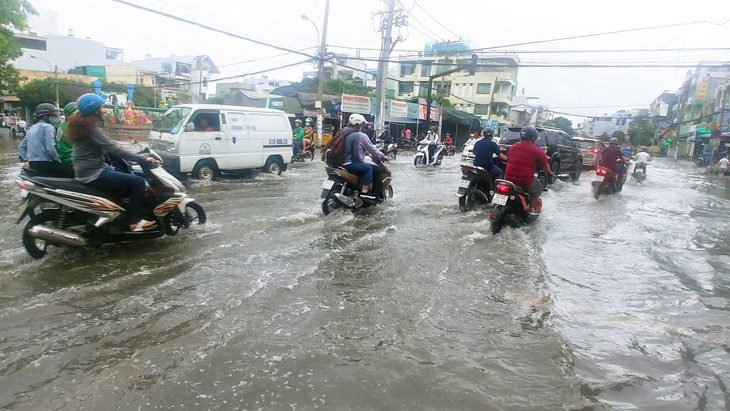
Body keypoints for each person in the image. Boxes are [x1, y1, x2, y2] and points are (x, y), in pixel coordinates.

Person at [67, 93, 159, 232]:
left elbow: (109, 144)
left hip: (87, 171)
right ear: (94, 111)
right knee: (138, 182)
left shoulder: (84, 127)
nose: (104, 110)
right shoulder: (92, 129)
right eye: (102, 107)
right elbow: (113, 149)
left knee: (119, 174)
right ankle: (134, 221)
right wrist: (142, 159)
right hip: (94, 174)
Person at [504, 126, 554, 215]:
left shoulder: (512, 147)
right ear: (533, 138)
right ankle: (531, 208)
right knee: (538, 187)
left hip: (508, 179)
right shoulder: (538, 150)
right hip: (525, 180)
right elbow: (546, 166)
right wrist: (550, 173)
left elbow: (509, 160)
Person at [18, 103, 74, 178]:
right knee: (75, 172)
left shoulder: (32, 128)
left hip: (32, 164)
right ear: (45, 116)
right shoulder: (48, 127)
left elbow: (21, 147)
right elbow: (50, 148)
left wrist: (27, 159)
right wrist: (58, 161)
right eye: (53, 116)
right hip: (46, 164)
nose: (56, 118)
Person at [342, 114, 385, 199]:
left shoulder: (343, 132)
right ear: (359, 125)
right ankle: (371, 193)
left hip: (339, 161)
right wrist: (382, 156)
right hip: (349, 163)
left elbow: (350, 148)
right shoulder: (360, 135)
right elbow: (371, 149)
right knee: (374, 169)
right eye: (363, 125)